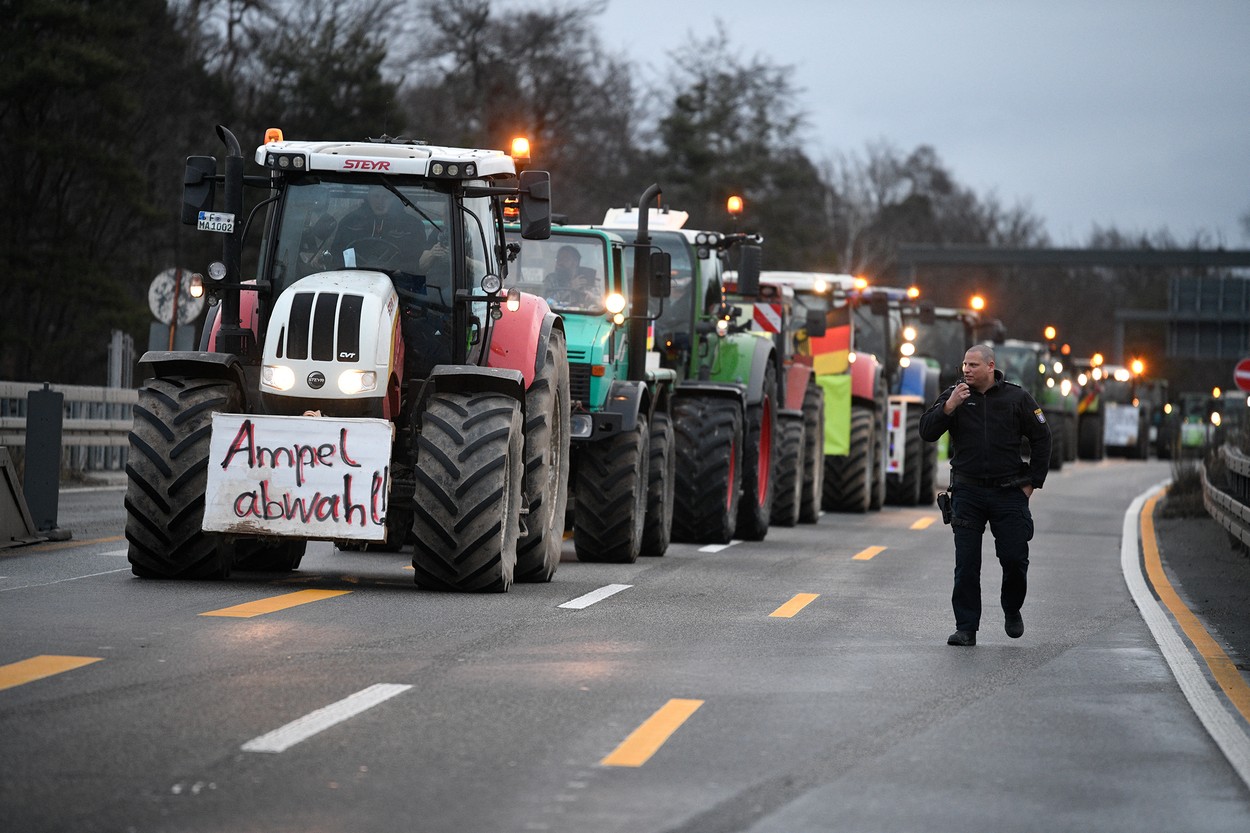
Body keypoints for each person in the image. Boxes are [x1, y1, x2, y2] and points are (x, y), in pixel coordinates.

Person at [918, 344, 1051, 647]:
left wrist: (1033, 482)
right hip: (968, 491)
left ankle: (1012, 607)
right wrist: (948, 407)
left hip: (1009, 492)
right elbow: (926, 431)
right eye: (964, 364)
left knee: (1015, 559)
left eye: (974, 365)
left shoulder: (1016, 397)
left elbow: (1043, 437)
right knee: (966, 564)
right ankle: (966, 627)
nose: (966, 370)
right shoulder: (954, 396)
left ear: (991, 366)